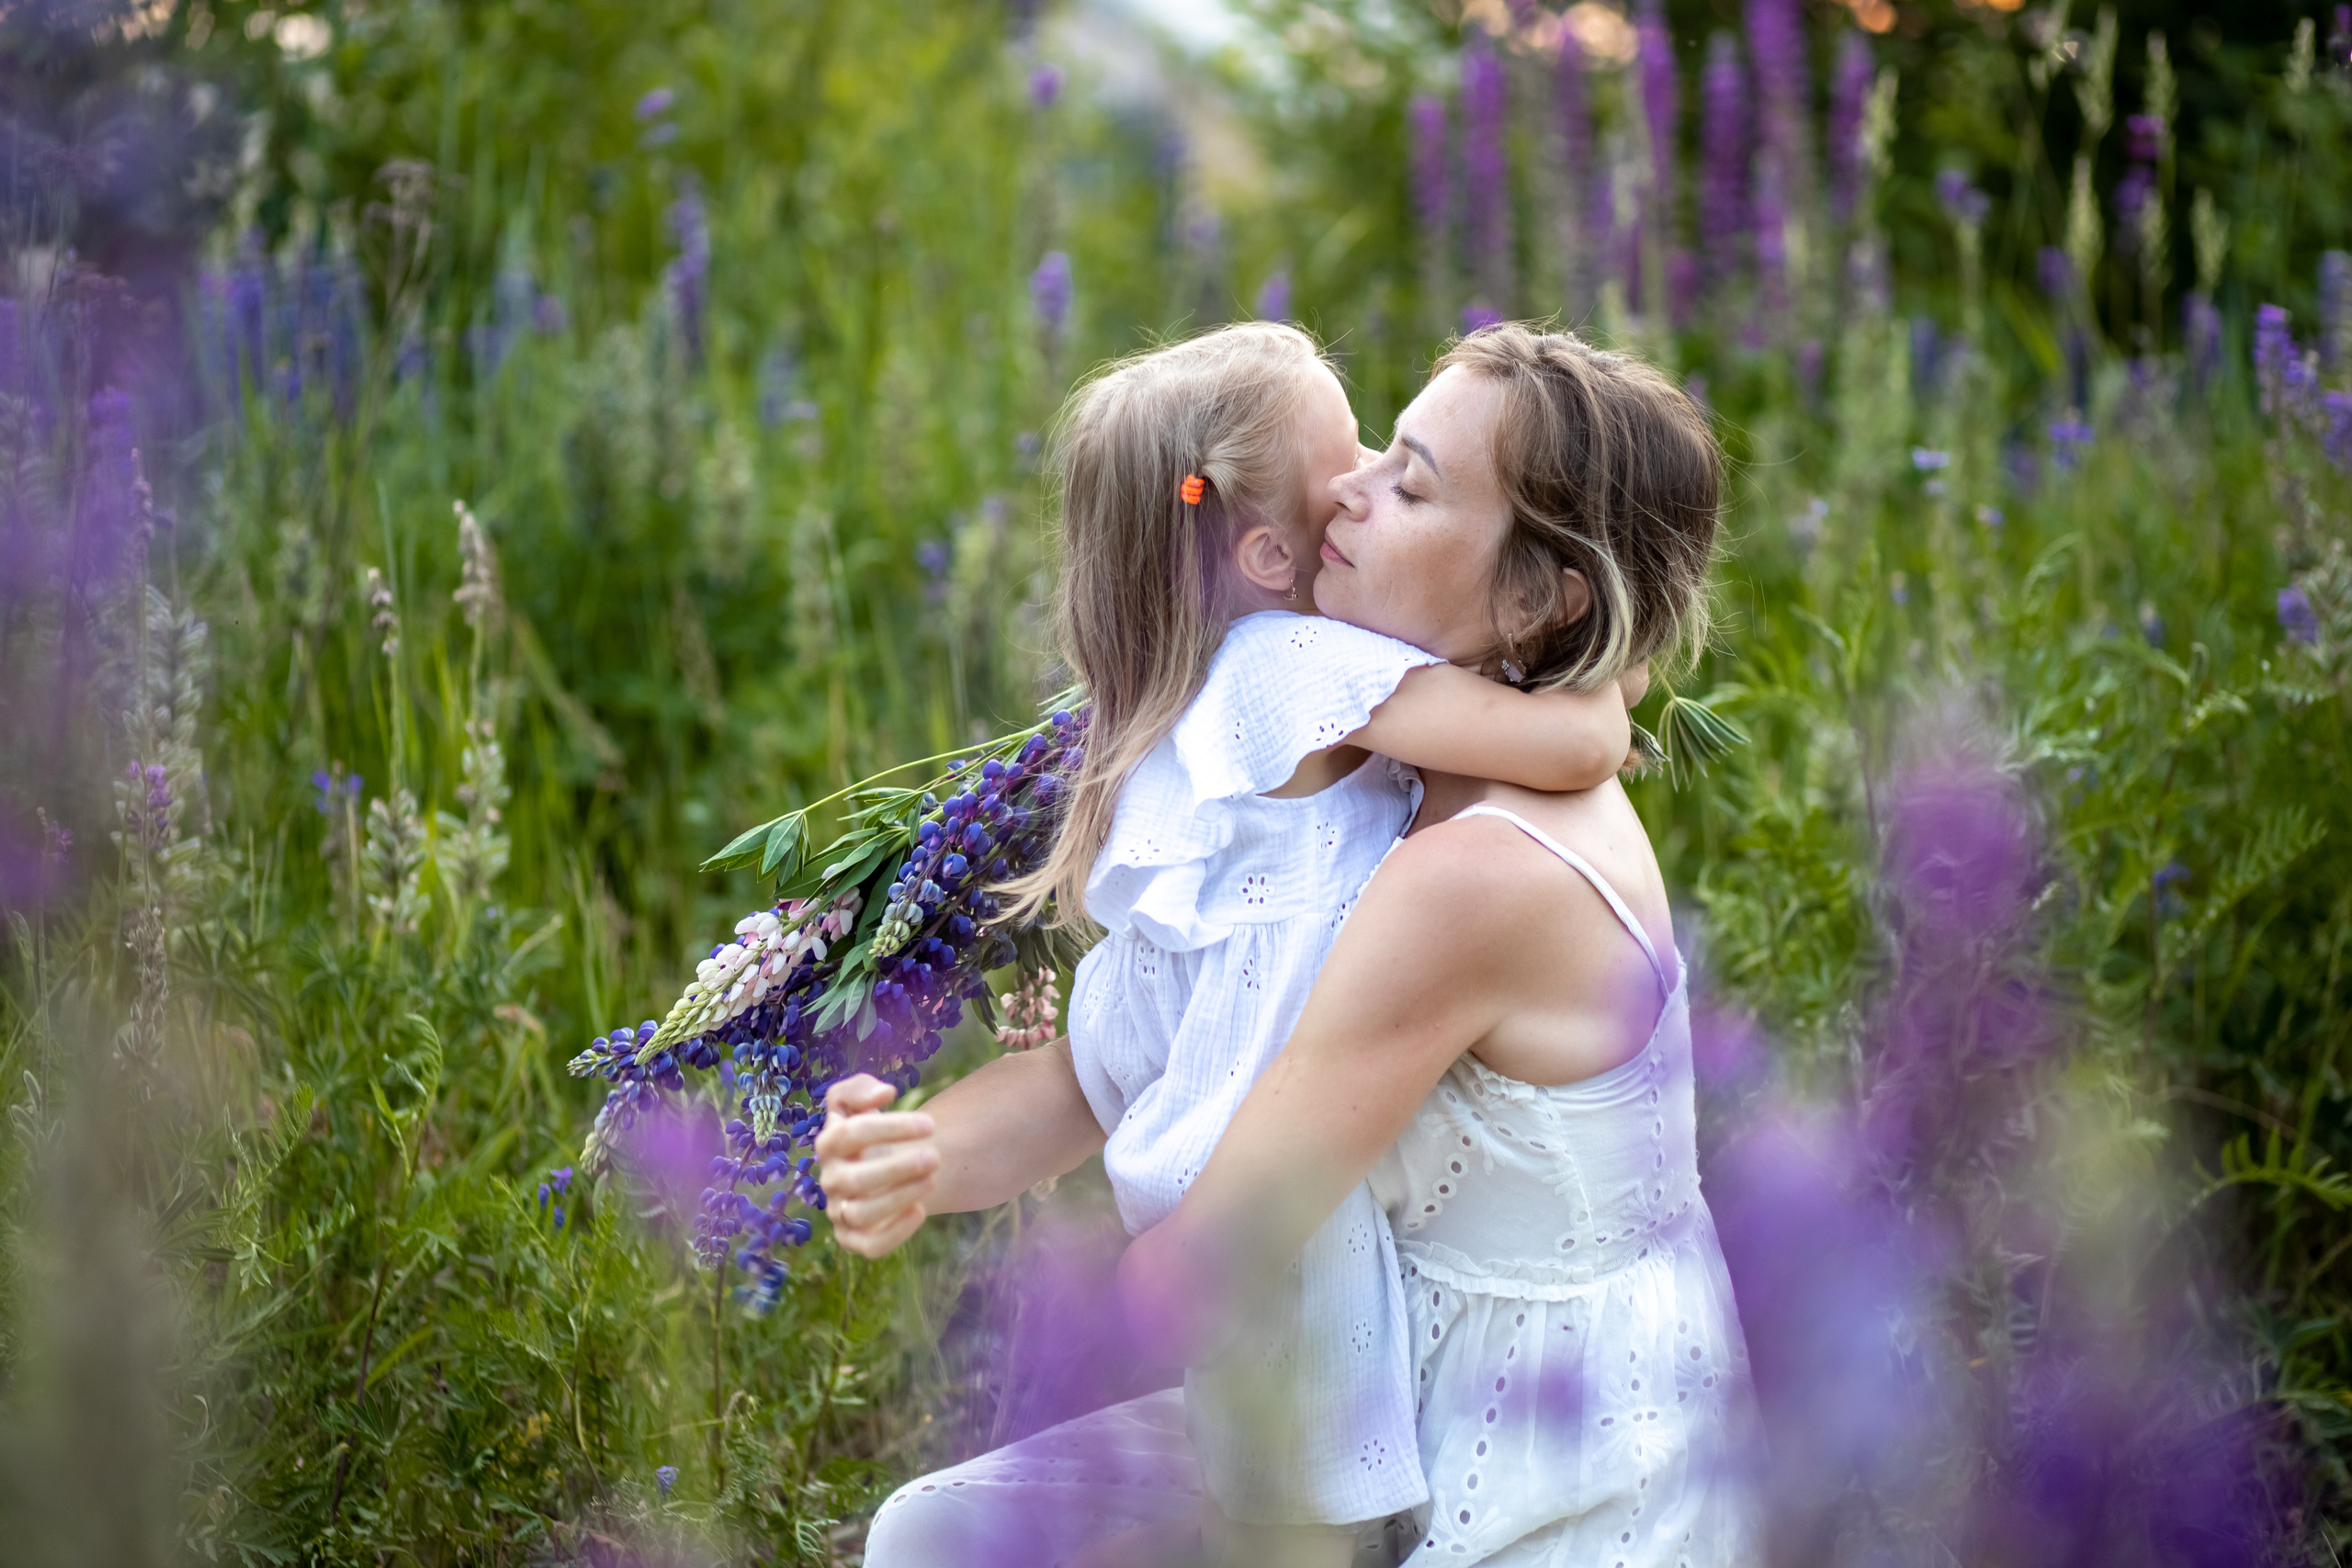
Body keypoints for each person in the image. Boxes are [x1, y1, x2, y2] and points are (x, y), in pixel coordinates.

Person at [831, 321, 1640, 1568]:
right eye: (1356, 455)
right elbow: (1574, 749)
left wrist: (922, 1153)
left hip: (1242, 1265)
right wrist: (1605, 672)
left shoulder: (1198, 786)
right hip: (1274, 1273)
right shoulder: (1289, 663)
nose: (1368, 476)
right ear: (1273, 551)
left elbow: (1086, 1078)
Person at [1120, 325, 1759, 1566]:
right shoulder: (1446, 769)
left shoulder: (1474, 877)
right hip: (1497, 1409)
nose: (1345, 490)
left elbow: (1211, 1257)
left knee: (944, 1529)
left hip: (1543, 1495)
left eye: (1411, 483)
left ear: (1538, 597)